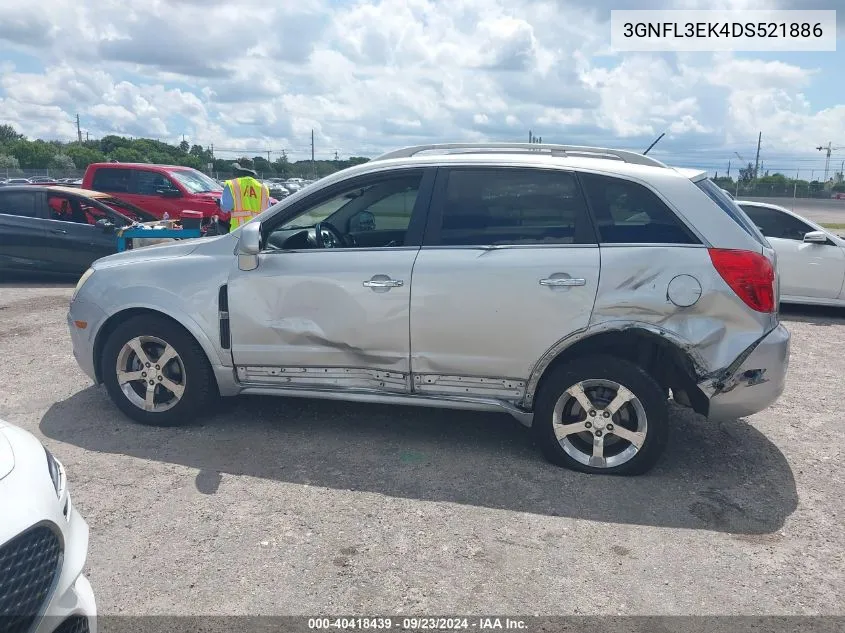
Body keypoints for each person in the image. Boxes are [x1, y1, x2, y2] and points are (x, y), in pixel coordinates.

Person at [220, 157, 271, 231]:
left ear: (239, 170)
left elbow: (225, 208)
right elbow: (268, 211)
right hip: (257, 232)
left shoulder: (232, 184)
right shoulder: (263, 188)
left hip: (237, 232)